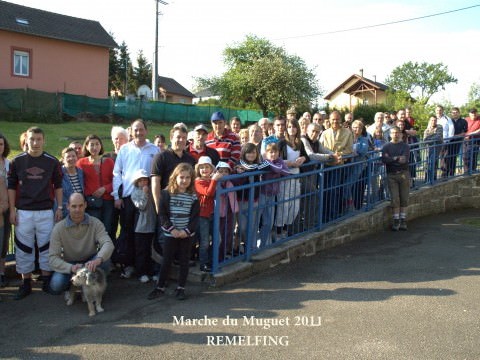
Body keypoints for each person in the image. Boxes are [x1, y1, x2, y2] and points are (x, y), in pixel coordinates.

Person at [8, 126, 63, 300]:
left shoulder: (52, 161)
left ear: (44, 141)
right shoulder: (17, 161)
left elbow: (58, 186)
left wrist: (60, 207)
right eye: (32, 139)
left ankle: (46, 280)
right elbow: (11, 187)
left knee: (46, 246)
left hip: (45, 211)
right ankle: (26, 283)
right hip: (24, 212)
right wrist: (12, 210)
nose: (35, 143)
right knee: (23, 247)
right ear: (27, 140)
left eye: (39, 139)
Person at [113, 119, 159, 278]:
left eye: (141, 129)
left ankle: (146, 266)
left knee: (145, 235)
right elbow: (117, 173)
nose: (138, 132)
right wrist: (117, 196)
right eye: (135, 130)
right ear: (131, 132)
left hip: (147, 199)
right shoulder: (125, 149)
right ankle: (129, 265)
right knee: (128, 232)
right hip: (128, 197)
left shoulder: (154, 149)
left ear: (146, 130)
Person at [147, 163, 199, 301]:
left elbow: (195, 217)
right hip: (171, 234)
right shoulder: (166, 193)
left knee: (184, 261)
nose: (184, 180)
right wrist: (172, 229)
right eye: (181, 177)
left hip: (186, 235)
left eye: (188, 178)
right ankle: (160, 286)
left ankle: (181, 287)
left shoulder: (193, 196)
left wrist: (186, 231)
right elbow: (162, 214)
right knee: (167, 260)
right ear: (175, 177)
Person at [48, 193, 114, 295]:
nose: (77, 210)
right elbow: (52, 258)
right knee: (56, 284)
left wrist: (98, 259)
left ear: (85, 205)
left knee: (105, 261)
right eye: (74, 206)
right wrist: (71, 268)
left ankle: (90, 286)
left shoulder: (95, 223)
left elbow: (108, 244)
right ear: (68, 206)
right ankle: (72, 288)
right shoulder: (58, 228)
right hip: (70, 264)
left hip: (90, 263)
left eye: (80, 206)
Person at [76, 135, 115, 241]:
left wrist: (105, 188)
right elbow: (79, 182)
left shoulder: (109, 162)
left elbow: (115, 181)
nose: (94, 147)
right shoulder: (81, 163)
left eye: (97, 144)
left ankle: (106, 255)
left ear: (100, 146)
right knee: (92, 229)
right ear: (87, 147)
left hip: (108, 200)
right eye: (91, 144)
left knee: (107, 228)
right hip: (91, 202)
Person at [276, 119, 309, 236]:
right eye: (289, 127)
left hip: (296, 178)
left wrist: (303, 159)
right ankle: (279, 231)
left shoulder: (299, 142)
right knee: (283, 206)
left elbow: (306, 156)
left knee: (294, 207)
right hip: (285, 178)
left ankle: (286, 229)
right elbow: (275, 160)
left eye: (294, 127)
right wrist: (289, 163)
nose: (292, 129)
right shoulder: (281, 143)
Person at [257, 141, 290, 247]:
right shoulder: (266, 162)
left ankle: (263, 243)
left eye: (275, 152)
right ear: (266, 153)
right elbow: (279, 169)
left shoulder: (278, 161)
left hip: (272, 194)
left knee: (269, 221)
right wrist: (275, 166)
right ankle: (252, 245)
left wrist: (277, 167)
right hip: (262, 193)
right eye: (270, 152)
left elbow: (286, 172)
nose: (273, 154)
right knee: (257, 219)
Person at [194, 156, 223, 272]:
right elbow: (209, 192)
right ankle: (203, 263)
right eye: (202, 168)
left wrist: (215, 179)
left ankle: (210, 260)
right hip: (202, 215)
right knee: (205, 241)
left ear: (212, 169)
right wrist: (214, 180)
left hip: (212, 214)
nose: (204, 170)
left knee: (218, 239)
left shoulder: (210, 180)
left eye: (207, 167)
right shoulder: (198, 181)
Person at [381, 126, 410, 231]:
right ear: (390, 134)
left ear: (401, 134)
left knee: (404, 198)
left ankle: (403, 220)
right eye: (393, 133)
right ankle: (396, 220)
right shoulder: (386, 146)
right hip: (391, 175)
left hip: (403, 174)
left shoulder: (405, 146)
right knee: (395, 198)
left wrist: (392, 158)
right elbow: (384, 159)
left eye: (397, 132)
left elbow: (404, 160)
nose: (395, 135)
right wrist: (396, 158)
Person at [130, 169, 156, 283]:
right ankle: (141, 273)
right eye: (140, 180)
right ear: (137, 182)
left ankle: (152, 271)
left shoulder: (152, 191)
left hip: (152, 224)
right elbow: (141, 206)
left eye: (145, 180)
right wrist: (145, 194)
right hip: (141, 227)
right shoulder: (135, 193)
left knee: (151, 251)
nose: (143, 182)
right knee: (142, 250)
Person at [60, 147, 84, 218]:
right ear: (63, 160)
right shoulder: (58, 174)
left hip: (80, 211)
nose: (71, 158)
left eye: (73, 156)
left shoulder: (81, 173)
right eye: (68, 157)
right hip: (65, 212)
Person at [0, 133, 11, 287]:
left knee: (4, 242)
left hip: (8, 206)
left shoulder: (9, 163)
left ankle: (2, 272)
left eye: (1, 144)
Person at [447, 107, 468, 176]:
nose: (454, 114)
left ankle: (451, 173)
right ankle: (445, 173)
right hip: (448, 141)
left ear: (459, 113)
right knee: (446, 157)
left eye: (456, 112)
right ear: (451, 113)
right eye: (453, 112)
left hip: (458, 142)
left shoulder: (463, 121)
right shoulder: (449, 121)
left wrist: (455, 136)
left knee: (454, 157)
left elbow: (464, 133)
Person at [435, 105, 454, 178]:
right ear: (435, 111)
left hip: (444, 142)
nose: (439, 111)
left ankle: (444, 175)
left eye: (440, 110)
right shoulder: (434, 119)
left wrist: (447, 140)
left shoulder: (447, 119)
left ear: (442, 111)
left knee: (444, 159)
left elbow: (451, 130)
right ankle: (433, 175)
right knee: (434, 158)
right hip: (435, 142)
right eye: (437, 110)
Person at [423, 115, 443, 183]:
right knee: (427, 163)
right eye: (432, 120)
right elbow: (425, 140)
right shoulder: (427, 130)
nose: (433, 122)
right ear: (429, 121)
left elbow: (438, 137)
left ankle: (433, 179)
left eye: (435, 120)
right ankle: (427, 179)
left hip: (436, 148)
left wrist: (429, 138)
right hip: (428, 149)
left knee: (434, 162)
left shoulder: (439, 127)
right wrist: (433, 136)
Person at [463, 108, 480, 173]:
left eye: (475, 112)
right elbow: (462, 129)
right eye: (472, 113)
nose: (474, 114)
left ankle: (472, 170)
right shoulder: (466, 120)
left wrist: (469, 134)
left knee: (473, 156)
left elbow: (479, 131)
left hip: (475, 140)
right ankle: (466, 171)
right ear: (469, 114)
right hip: (466, 141)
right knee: (465, 156)